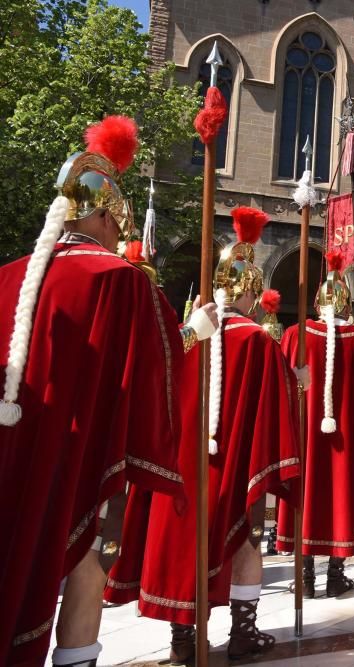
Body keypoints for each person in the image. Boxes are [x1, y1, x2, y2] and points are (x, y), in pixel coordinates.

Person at [0, 116, 219, 667]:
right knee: (87, 562)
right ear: (101, 215)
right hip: (76, 458)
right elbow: (159, 357)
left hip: (12, 457)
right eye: (114, 226)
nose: (118, 237)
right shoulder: (120, 279)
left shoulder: (8, 276)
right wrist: (200, 328)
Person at [105, 207, 301, 663]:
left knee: (182, 548)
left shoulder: (184, 335)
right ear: (252, 293)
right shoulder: (258, 342)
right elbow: (277, 406)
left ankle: (182, 642)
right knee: (246, 539)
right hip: (237, 464)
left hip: (180, 467)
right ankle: (242, 632)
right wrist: (300, 382)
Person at [276, 250, 354, 597]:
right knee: (342, 493)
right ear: (344, 303)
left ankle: (306, 573)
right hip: (347, 440)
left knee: (307, 491)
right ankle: (335, 572)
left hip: (307, 437)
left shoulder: (296, 335)